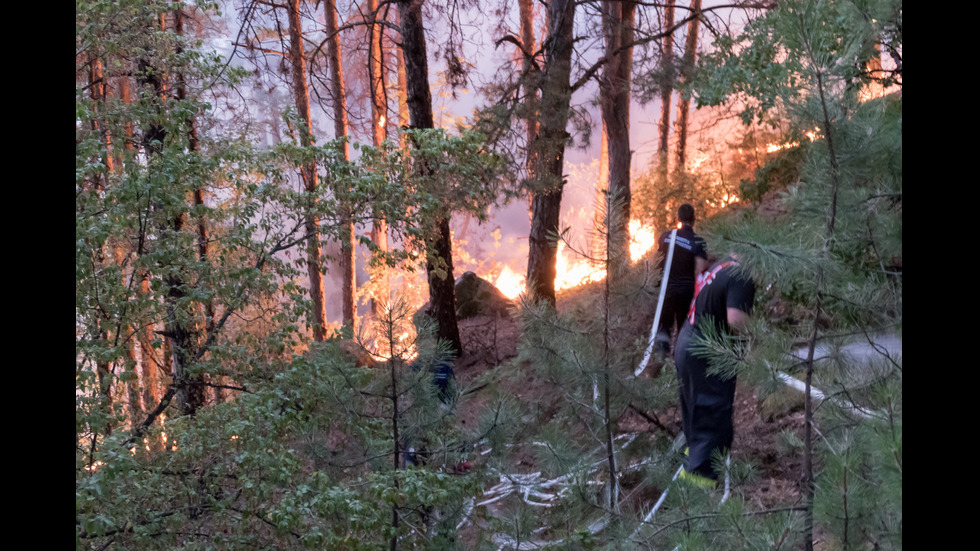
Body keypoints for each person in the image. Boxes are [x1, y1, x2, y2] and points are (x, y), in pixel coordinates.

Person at [674, 254, 755, 486]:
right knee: (712, 422)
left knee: (696, 419)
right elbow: (737, 321)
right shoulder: (741, 275)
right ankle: (700, 495)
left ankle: (689, 480)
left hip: (688, 344)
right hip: (705, 354)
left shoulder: (722, 266)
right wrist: (756, 342)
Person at [654, 204, 708, 361]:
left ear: (678, 218)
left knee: (664, 324)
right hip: (686, 292)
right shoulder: (698, 242)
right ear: (694, 219)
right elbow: (700, 271)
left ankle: (660, 357)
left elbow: (657, 261)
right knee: (684, 327)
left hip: (666, 290)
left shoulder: (665, 237)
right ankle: (681, 360)